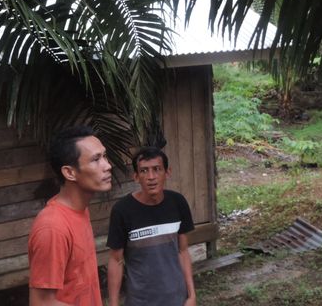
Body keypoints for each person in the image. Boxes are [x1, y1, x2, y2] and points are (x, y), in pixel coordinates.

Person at [28, 125, 113, 306]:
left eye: (104, 156)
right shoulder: (53, 228)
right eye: (96, 159)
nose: (108, 166)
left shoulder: (80, 210)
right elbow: (41, 303)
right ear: (69, 172)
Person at [107, 146, 196, 306]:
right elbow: (116, 260)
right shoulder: (122, 210)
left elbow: (183, 251)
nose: (151, 177)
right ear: (136, 176)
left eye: (157, 169)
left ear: (167, 172)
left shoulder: (178, 202)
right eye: (144, 171)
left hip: (177, 299)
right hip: (140, 301)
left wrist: (191, 295)